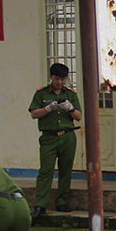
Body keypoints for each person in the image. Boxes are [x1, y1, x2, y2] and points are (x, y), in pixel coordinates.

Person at [27, 62, 81, 218]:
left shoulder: (71, 94)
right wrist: (48, 108)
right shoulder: (41, 94)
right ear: (51, 77)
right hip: (49, 137)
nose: (60, 82)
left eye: (63, 79)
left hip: (67, 136)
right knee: (45, 171)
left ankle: (61, 202)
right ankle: (40, 205)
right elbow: (34, 114)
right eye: (57, 78)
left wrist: (70, 108)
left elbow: (78, 117)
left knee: (66, 170)